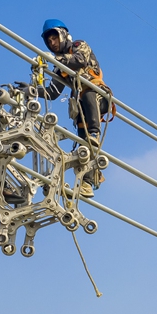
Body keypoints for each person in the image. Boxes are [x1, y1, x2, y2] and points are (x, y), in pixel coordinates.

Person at [40, 18, 110, 198]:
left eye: (54, 38)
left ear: (62, 34)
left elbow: (79, 60)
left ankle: (94, 133)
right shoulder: (61, 64)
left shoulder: (79, 45)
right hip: (82, 108)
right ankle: (88, 181)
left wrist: (57, 59)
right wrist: (31, 90)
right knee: (82, 146)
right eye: (49, 42)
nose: (52, 43)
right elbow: (53, 92)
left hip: (98, 96)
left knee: (87, 93)